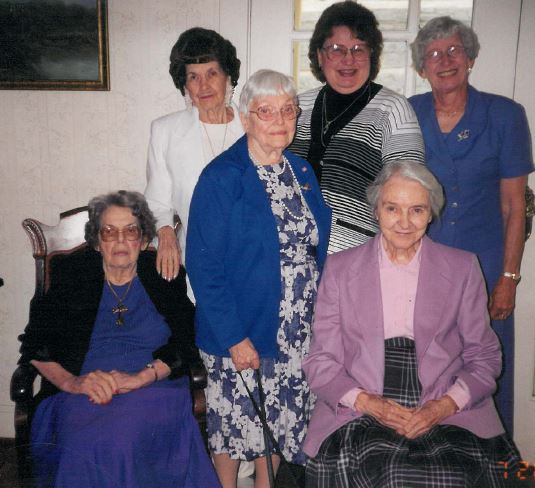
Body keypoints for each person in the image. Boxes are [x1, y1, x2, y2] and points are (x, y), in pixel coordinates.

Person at [303, 161, 522, 487]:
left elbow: (485, 356)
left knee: (451, 475)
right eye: (393, 208)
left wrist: (443, 406)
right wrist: (369, 403)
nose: (404, 222)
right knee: (387, 472)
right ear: (376, 210)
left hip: (446, 402)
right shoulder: (340, 268)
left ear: (431, 213)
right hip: (362, 403)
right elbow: (321, 360)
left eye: (417, 210)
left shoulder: (462, 267)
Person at [186, 69, 331, 488]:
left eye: (288, 110)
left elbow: (314, 247)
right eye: (266, 111)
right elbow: (204, 265)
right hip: (243, 325)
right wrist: (233, 336)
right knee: (234, 423)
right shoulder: (222, 177)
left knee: (278, 419)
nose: (279, 120)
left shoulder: (300, 171)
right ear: (245, 119)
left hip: (296, 328)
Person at [19, 191, 220, 488]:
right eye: (109, 232)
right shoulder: (72, 275)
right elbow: (35, 343)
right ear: (97, 241)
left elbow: (187, 340)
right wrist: (73, 383)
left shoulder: (163, 274)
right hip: (83, 389)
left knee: (122, 439)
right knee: (85, 444)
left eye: (130, 231)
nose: (121, 241)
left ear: (142, 239)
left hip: (154, 387)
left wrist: (142, 377)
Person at [408, 16, 535, 434]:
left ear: (471, 57)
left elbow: (515, 206)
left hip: (486, 267)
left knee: (487, 367)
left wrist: (509, 278)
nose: (444, 61)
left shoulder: (505, 115)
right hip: (426, 267)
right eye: (433, 54)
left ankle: (493, 463)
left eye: (453, 50)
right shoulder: (410, 113)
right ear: (421, 67)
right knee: (428, 367)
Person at [290, 0, 424, 253]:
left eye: (358, 48)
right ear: (320, 55)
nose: (348, 59)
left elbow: (410, 195)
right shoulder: (297, 107)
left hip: (357, 262)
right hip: (291, 258)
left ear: (371, 55)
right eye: (336, 49)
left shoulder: (393, 109)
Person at [145, 27, 242, 283]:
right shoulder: (165, 131)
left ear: (227, 76)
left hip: (252, 261)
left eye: (212, 73)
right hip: (199, 264)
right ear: (184, 84)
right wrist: (166, 233)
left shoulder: (252, 127)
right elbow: (156, 201)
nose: (204, 85)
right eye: (193, 77)